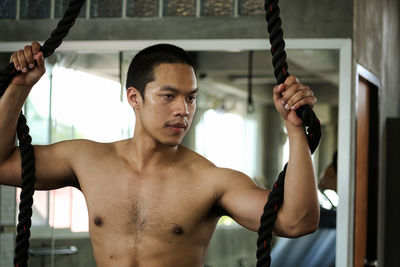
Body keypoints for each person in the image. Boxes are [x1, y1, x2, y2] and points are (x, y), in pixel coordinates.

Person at [0, 42, 319, 267]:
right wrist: (18, 88)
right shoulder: (87, 160)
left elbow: (297, 223)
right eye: (169, 96)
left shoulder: (211, 181)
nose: (183, 110)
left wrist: (294, 131)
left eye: (191, 98)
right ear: (134, 97)